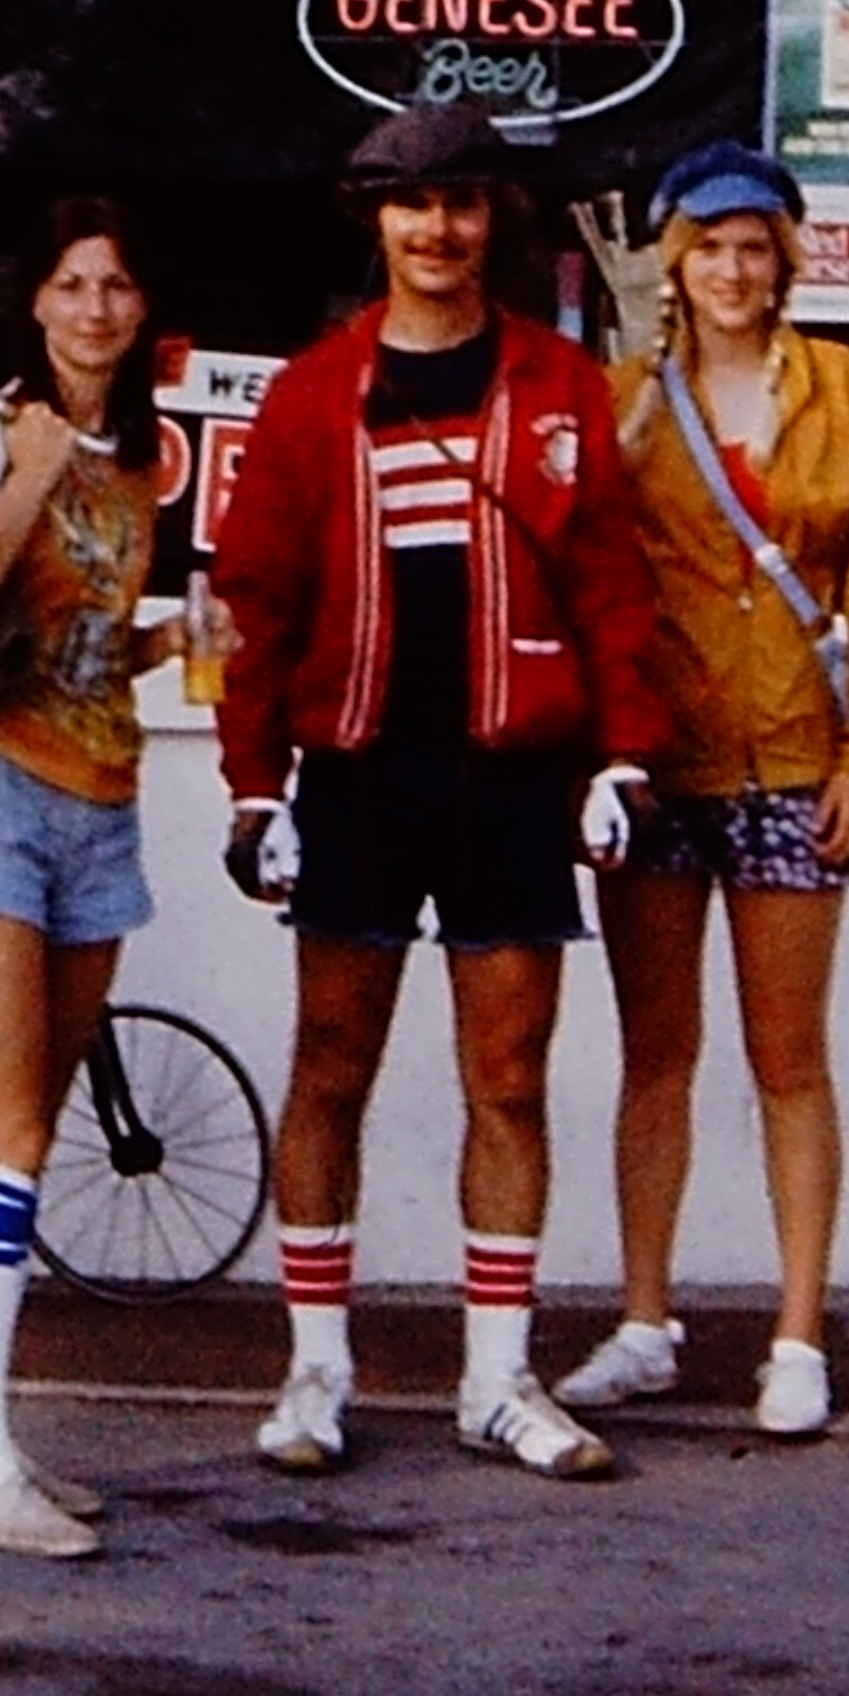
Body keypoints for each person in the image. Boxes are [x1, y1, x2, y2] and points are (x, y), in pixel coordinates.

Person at [207, 103, 666, 1484]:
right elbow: (258, 602)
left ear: (490, 221)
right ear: (375, 222)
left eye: (462, 203)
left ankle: (495, 1379)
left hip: (515, 774)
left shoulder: (562, 388)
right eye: (411, 206)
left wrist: (622, 757)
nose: (438, 230)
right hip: (354, 771)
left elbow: (611, 591)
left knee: (509, 1080)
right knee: (329, 1070)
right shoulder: (309, 394)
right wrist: (251, 786)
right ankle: (314, 1372)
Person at [557, 139, 849, 1441]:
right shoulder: (626, 395)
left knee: (788, 1059)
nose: (731, 269)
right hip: (660, 764)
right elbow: (582, 552)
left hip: (792, 761)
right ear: (672, 259)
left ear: (788, 258)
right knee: (655, 1057)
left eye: (752, 245)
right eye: (706, 245)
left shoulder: (839, 393)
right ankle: (645, 1321)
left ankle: (796, 1335)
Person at [0, 199, 181, 1559]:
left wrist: (172, 639)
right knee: (3, 1130)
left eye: (117, 287)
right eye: (73, 284)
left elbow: (80, 650)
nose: (95, 308)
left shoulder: (145, 462)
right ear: (37, 303)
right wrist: (32, 467)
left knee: (35, 1135)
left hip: (100, 812)